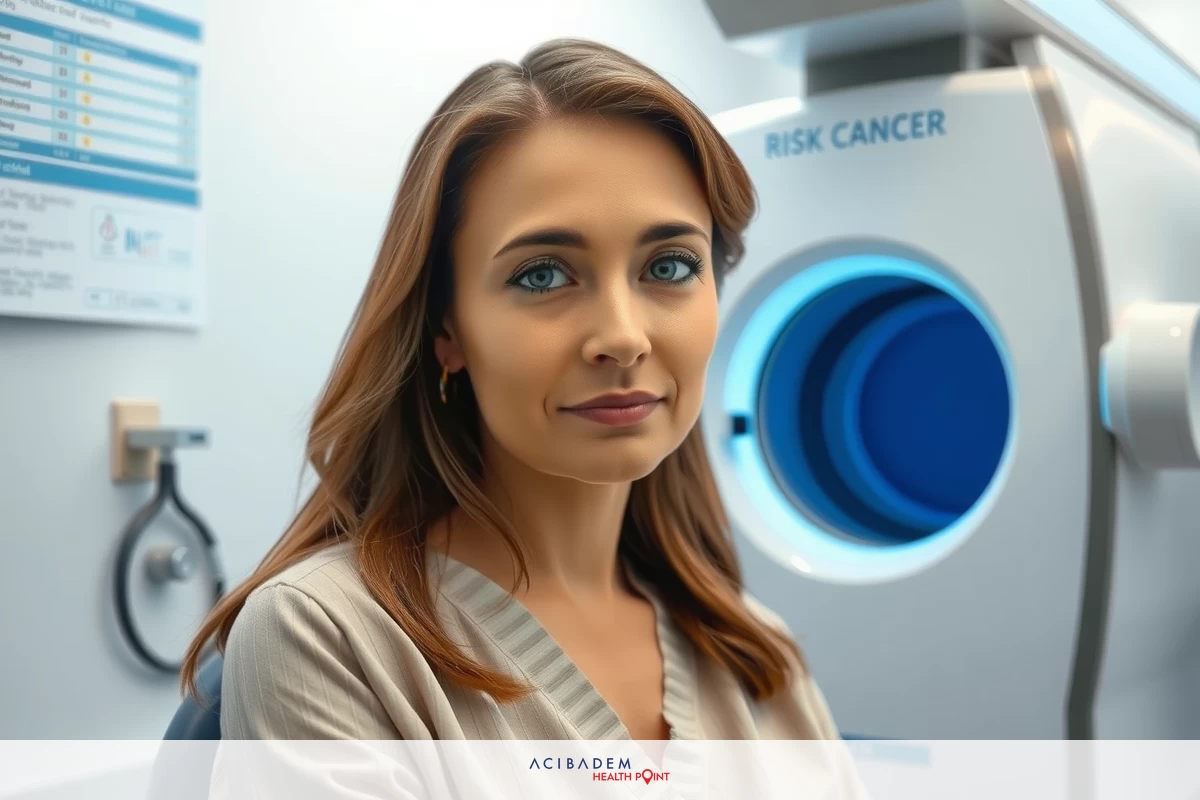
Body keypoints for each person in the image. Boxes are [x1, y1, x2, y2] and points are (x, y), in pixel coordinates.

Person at [180, 37, 846, 744]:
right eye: (542, 275)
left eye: (672, 266)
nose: (623, 337)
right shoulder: (324, 636)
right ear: (448, 328)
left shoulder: (756, 655)